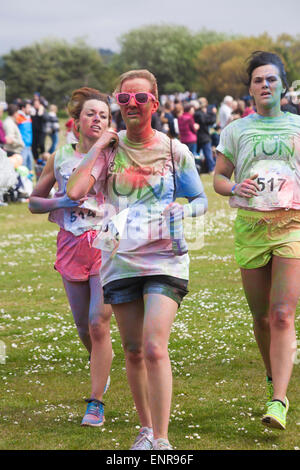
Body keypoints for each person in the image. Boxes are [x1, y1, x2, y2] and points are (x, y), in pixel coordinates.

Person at [67, 69, 208, 450]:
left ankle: (162, 440)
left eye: (140, 98)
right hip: (120, 259)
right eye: (124, 98)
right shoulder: (110, 150)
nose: (132, 105)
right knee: (131, 349)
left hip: (165, 257)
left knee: (153, 346)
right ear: (118, 102)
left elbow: (201, 200)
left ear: (154, 104)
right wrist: (98, 147)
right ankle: (145, 430)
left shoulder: (174, 150)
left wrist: (185, 211)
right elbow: (76, 190)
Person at [214, 51, 300, 431]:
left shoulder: (298, 126)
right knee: (261, 317)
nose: (265, 85)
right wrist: (234, 186)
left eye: (271, 79)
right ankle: (272, 377)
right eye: (258, 80)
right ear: (249, 89)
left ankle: (279, 399)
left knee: (282, 314)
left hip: (292, 226)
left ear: (283, 85)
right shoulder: (235, 130)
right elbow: (219, 178)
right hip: (250, 228)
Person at [29, 87, 114, 427]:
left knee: (98, 321)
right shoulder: (60, 155)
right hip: (70, 244)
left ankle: (96, 402)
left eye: (104, 115)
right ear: (76, 122)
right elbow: (35, 201)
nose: (97, 119)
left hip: (106, 243)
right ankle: (101, 366)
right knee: (83, 326)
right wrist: (60, 202)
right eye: (91, 114)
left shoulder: (112, 154)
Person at [194, 97, 217, 173]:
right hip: (203, 137)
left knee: (196, 154)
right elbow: (208, 121)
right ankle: (211, 169)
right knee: (208, 154)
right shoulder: (199, 114)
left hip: (198, 137)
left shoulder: (197, 113)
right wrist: (213, 114)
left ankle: (201, 168)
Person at [16, 100, 34, 174]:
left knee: (30, 166)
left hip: (29, 146)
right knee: (23, 167)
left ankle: (29, 183)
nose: (30, 109)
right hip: (22, 146)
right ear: (23, 108)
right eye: (28, 107)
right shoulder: (18, 117)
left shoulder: (28, 117)